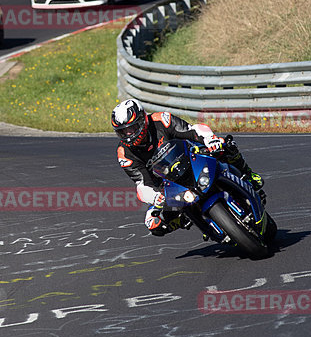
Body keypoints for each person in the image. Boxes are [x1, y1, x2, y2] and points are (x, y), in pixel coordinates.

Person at [111, 98, 265, 236]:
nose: (129, 134)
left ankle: (248, 174)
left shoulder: (161, 120)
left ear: (143, 119)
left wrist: (210, 140)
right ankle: (187, 218)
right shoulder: (124, 154)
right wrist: (157, 197)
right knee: (153, 223)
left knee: (226, 146)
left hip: (192, 160)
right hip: (170, 185)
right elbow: (142, 183)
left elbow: (191, 130)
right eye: (123, 131)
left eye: (132, 128)